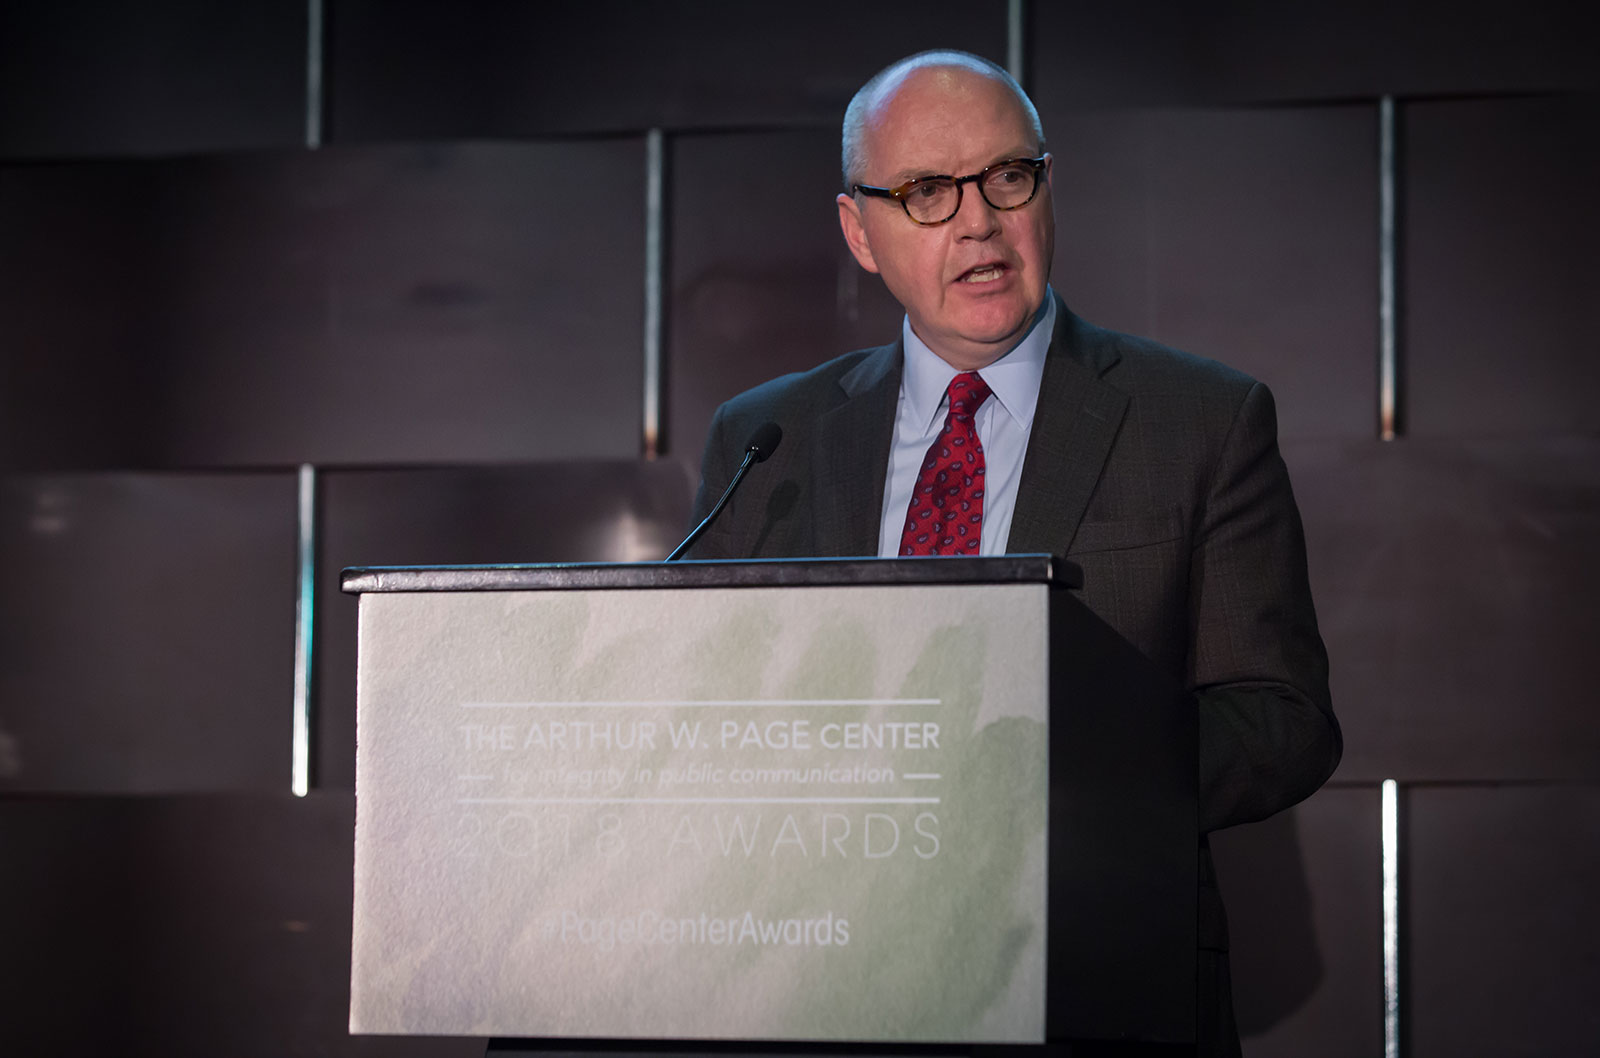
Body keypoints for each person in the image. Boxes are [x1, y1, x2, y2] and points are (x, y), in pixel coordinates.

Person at [686, 49, 1341, 1056]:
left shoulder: (1200, 420)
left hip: (1095, 978)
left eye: (1006, 176)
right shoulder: (768, 436)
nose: (977, 221)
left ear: (1045, 188)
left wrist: (1044, 779)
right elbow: (703, 712)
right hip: (817, 984)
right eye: (924, 191)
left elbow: (1281, 718)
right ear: (860, 232)